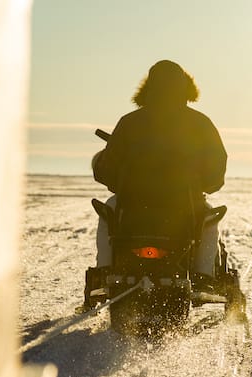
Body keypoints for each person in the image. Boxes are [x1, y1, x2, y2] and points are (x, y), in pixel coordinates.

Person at [91, 59, 227, 278]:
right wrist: (209, 183)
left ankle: (104, 271)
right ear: (184, 87)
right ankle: (204, 276)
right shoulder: (200, 123)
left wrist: (113, 179)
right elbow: (216, 167)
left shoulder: (129, 122)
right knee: (209, 223)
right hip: (185, 206)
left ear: (149, 86)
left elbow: (107, 168)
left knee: (109, 213)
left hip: (133, 208)